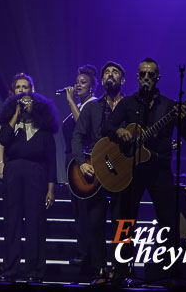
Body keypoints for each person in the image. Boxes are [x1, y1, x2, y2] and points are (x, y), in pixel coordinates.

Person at [105, 58, 186, 284]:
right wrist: (119, 131)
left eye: (151, 75)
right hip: (131, 170)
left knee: (168, 221)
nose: (146, 78)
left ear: (157, 78)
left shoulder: (169, 105)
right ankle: (121, 268)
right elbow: (107, 127)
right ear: (137, 77)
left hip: (159, 169)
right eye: (143, 74)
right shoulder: (128, 104)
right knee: (124, 221)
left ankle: (166, 270)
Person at [71, 61, 125, 283]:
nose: (110, 75)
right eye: (106, 73)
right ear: (102, 81)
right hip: (97, 173)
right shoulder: (92, 108)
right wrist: (80, 162)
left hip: (123, 174)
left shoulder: (131, 106)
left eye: (115, 72)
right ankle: (100, 269)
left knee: (123, 224)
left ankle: (121, 270)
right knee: (95, 223)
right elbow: (77, 136)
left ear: (122, 79)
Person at [0, 91, 58, 282]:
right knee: (12, 222)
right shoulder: (12, 127)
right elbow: (2, 138)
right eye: (21, 102)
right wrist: (15, 114)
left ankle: (35, 270)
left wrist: (50, 189)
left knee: (35, 223)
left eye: (29, 101)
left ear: (38, 105)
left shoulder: (45, 131)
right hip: (13, 176)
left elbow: (51, 162)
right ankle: (10, 269)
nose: (25, 104)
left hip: (36, 176)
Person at [61, 64, 98, 268]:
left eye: (83, 83)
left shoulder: (91, 105)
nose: (77, 86)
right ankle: (83, 251)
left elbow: (81, 126)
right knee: (77, 210)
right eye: (76, 83)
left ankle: (87, 254)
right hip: (72, 162)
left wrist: (69, 101)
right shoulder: (82, 105)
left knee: (84, 210)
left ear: (91, 87)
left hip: (84, 162)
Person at [0, 73, 35, 181]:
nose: (21, 90)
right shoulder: (6, 111)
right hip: (12, 161)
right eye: (18, 87)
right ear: (13, 90)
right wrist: (0, 162)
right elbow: (0, 140)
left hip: (33, 163)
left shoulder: (39, 109)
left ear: (31, 89)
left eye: (24, 87)